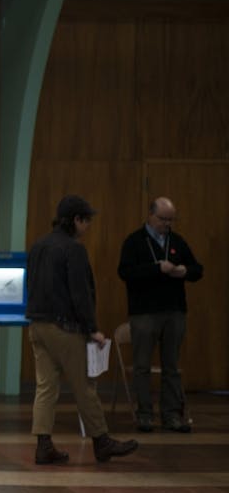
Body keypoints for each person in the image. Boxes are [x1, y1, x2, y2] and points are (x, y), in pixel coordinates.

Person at [26, 195, 139, 465]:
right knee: (85, 387)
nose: (88, 226)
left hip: (37, 326)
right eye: (86, 220)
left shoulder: (39, 245)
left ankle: (43, 445)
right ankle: (101, 441)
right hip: (65, 328)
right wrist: (92, 329)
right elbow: (80, 293)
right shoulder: (73, 249)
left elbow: (30, 281)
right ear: (76, 220)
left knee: (46, 387)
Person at [116, 197, 204, 433]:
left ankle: (172, 415)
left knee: (171, 367)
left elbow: (198, 270)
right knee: (142, 366)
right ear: (150, 216)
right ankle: (145, 414)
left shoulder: (177, 241)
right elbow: (125, 272)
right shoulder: (134, 241)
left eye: (170, 220)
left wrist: (184, 271)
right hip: (144, 312)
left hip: (174, 311)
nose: (167, 224)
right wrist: (156, 269)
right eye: (163, 219)